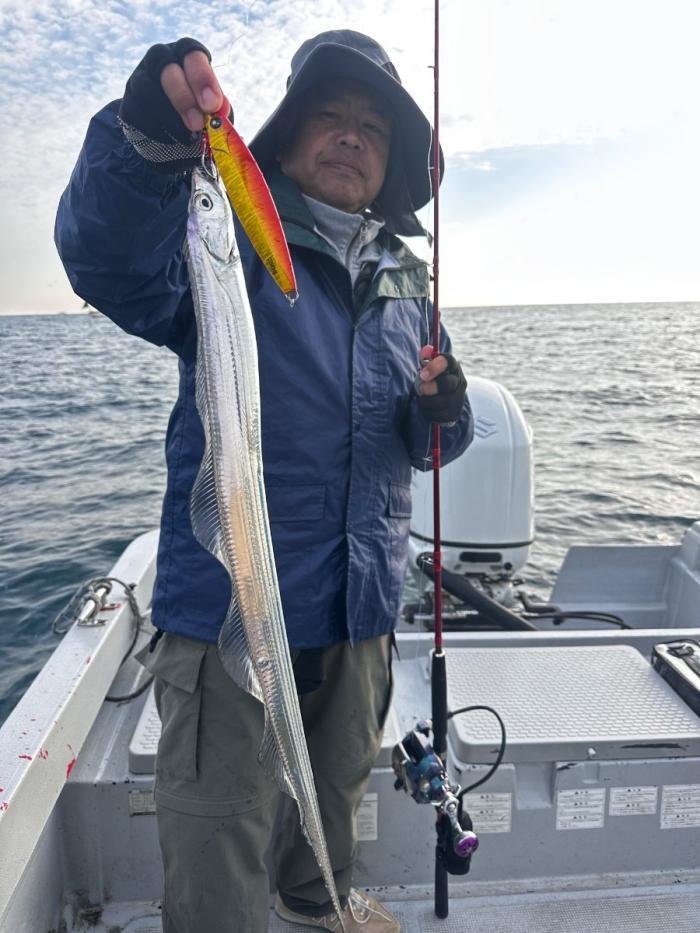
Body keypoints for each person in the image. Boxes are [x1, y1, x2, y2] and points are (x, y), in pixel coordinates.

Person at [55, 29, 473, 933]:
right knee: (219, 847)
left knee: (331, 810)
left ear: (392, 161)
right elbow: (112, 262)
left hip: (360, 614)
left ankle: (316, 903)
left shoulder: (408, 282)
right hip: (230, 607)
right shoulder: (226, 237)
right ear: (284, 138)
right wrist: (146, 143)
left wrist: (446, 413)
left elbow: (423, 448)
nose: (352, 135)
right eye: (331, 114)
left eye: (374, 126)